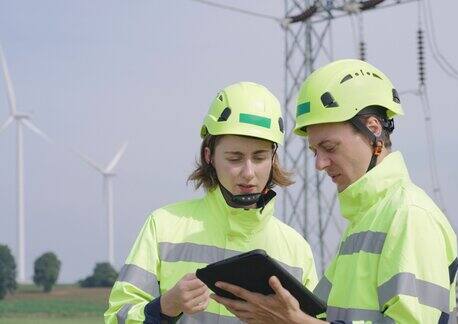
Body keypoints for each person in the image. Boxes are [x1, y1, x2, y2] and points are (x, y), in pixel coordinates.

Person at [211, 59, 458, 324]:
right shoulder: (365, 222)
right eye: (315, 151)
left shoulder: (410, 216)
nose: (319, 164)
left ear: (373, 130)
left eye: (329, 147)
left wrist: (293, 321)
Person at [104, 81, 318, 323]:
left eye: (259, 157)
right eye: (235, 158)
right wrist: (165, 307)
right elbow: (116, 317)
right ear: (209, 156)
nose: (248, 172)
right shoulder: (163, 227)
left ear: (273, 158)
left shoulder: (297, 250)